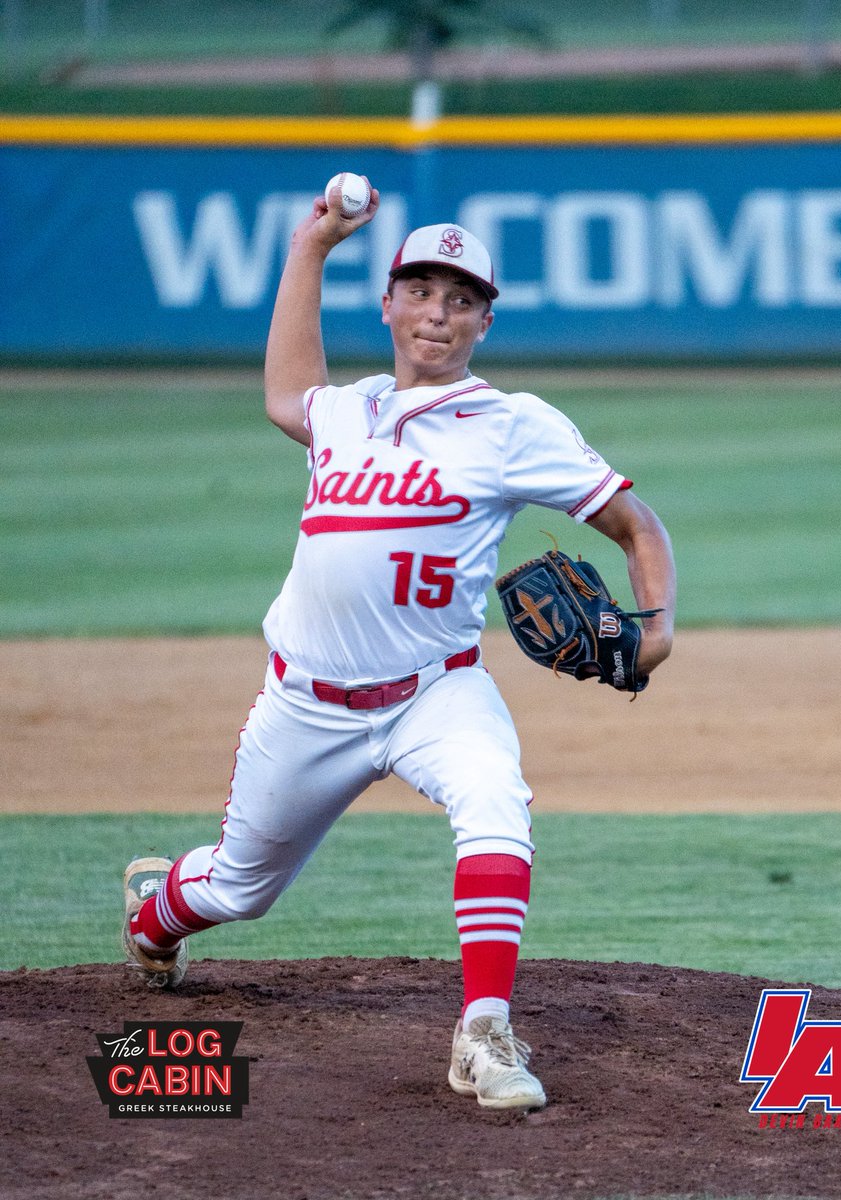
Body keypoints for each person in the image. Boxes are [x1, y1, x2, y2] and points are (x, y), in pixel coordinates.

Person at [121, 180, 676, 1112]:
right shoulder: (344, 413)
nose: (438, 312)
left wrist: (655, 631)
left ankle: (484, 1034)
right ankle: (155, 916)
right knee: (238, 889)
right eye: (420, 291)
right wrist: (312, 246)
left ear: (484, 322)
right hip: (304, 706)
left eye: (461, 299)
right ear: (387, 304)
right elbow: (284, 392)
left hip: (435, 692)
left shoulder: (512, 424)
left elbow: (637, 526)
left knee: (496, 797)